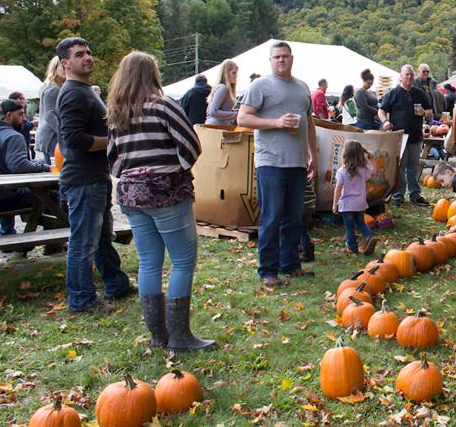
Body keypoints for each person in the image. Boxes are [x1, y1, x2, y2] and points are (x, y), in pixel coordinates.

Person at [105, 52, 213, 351]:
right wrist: (175, 171)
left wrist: (132, 176)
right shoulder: (163, 105)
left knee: (149, 263)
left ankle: (158, 335)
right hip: (166, 193)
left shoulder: (116, 112)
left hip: (131, 195)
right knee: (181, 262)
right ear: (152, 74)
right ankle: (180, 336)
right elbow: (191, 144)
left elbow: (113, 159)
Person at [55, 36, 133, 313]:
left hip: (95, 177)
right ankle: (81, 299)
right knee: (83, 242)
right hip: (82, 179)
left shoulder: (85, 90)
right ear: (65, 63)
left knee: (101, 237)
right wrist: (113, 140)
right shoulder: (73, 92)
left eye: (88, 52)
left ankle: (116, 283)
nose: (87, 57)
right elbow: (74, 139)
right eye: (79, 54)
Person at [238, 41, 318, 287]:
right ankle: (268, 271)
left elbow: (309, 123)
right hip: (270, 162)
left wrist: (312, 154)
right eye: (276, 57)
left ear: (292, 58)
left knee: (294, 217)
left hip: (297, 163)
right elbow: (243, 117)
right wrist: (276, 123)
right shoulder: (260, 86)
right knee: (271, 217)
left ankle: (290, 264)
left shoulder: (303, 87)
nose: (281, 60)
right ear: (270, 61)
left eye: (285, 56)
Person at [0, 99, 51, 236]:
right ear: (9, 116)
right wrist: (45, 167)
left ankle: (9, 234)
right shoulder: (12, 136)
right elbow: (19, 165)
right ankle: (54, 241)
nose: (24, 118)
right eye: (21, 114)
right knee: (51, 196)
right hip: (3, 198)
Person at [379, 64, 432, 207]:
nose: (409, 77)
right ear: (400, 77)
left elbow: (430, 111)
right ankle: (398, 195)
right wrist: (385, 121)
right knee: (400, 168)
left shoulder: (419, 93)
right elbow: (381, 110)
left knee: (413, 167)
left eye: (411, 75)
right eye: (406, 74)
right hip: (400, 137)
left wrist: (424, 113)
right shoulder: (393, 93)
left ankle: (415, 194)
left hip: (416, 136)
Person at [332, 140, 378, 255]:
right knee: (361, 223)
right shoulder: (363, 170)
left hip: (347, 204)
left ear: (345, 154)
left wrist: (334, 203)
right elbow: (374, 172)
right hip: (360, 203)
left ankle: (352, 248)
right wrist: (372, 159)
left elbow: (338, 188)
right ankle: (369, 237)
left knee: (349, 226)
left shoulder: (342, 171)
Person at [35, 55, 66, 164]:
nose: (65, 69)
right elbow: (49, 116)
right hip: (52, 136)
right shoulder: (53, 89)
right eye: (62, 66)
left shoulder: (48, 86)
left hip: (49, 136)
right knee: (57, 170)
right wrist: (65, 132)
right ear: (55, 68)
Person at [205, 60, 239, 126]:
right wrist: (236, 114)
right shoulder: (223, 88)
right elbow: (213, 111)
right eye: (234, 73)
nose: (236, 76)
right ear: (226, 73)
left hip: (217, 126)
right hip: (216, 127)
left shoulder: (222, 87)